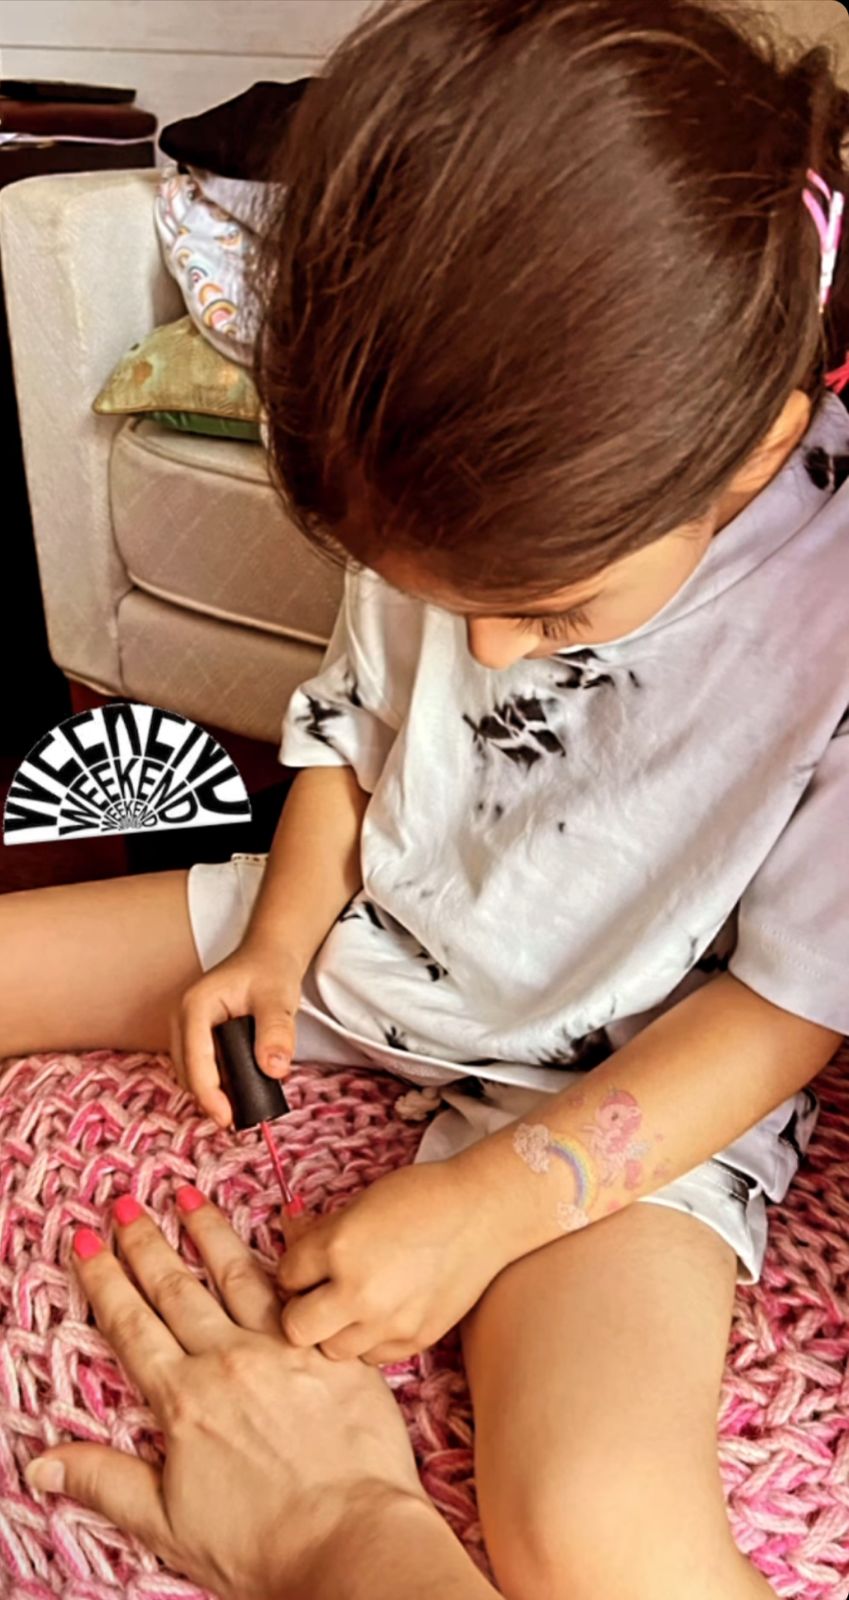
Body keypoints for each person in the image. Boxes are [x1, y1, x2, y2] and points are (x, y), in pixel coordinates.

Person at [6, 0, 849, 1595]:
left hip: (624, 1080)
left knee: (595, 1533)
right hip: (376, 939)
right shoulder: (441, 463)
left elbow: (789, 1009)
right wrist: (274, 945)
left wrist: (492, 1205)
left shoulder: (830, 613)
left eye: (550, 612)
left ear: (753, 455)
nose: (487, 650)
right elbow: (353, 738)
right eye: (443, 601)